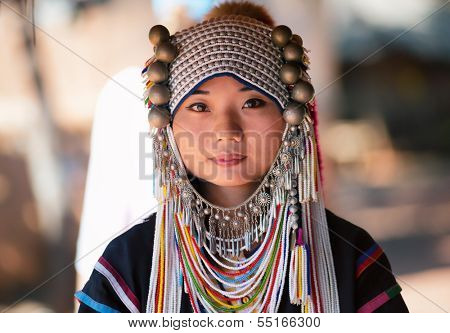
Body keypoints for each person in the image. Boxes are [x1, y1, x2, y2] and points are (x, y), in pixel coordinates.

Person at [74, 1, 409, 313]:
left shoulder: (351, 259)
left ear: (293, 118)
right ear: (168, 127)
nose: (227, 131)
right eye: (200, 106)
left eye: (252, 102)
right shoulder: (130, 267)